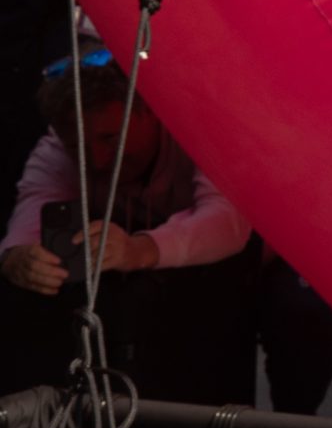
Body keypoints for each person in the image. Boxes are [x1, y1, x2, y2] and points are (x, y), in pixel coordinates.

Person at [0, 48, 257, 406]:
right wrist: (18, 258)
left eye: (110, 139)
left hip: (242, 258)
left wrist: (141, 249)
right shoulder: (55, 150)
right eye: (79, 145)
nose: (97, 159)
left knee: (300, 317)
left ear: (152, 113)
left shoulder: (198, 125)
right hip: (134, 256)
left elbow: (228, 223)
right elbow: (31, 212)